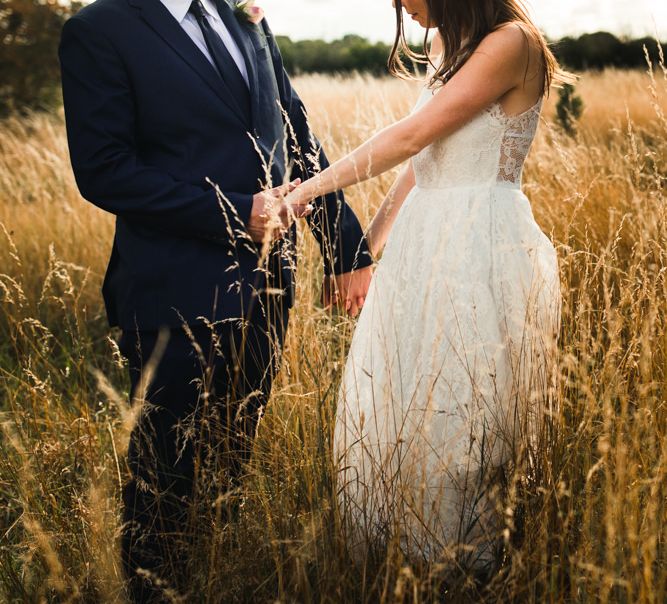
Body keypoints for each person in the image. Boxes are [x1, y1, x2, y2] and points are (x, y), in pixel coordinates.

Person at [58, 0, 373, 600]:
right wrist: (233, 215)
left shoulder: (244, 15)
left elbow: (296, 134)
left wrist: (345, 249)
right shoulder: (97, 30)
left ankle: (214, 580)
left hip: (269, 285)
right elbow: (104, 170)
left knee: (232, 459)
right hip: (170, 291)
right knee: (164, 480)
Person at [285, 0, 565, 575]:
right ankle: (408, 559)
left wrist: (304, 191)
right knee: (409, 397)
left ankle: (464, 568)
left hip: (478, 243)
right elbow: (425, 161)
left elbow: (411, 136)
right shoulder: (447, 46)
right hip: (424, 241)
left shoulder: (513, 43)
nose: (400, 7)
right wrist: (368, 249)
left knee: (464, 411)